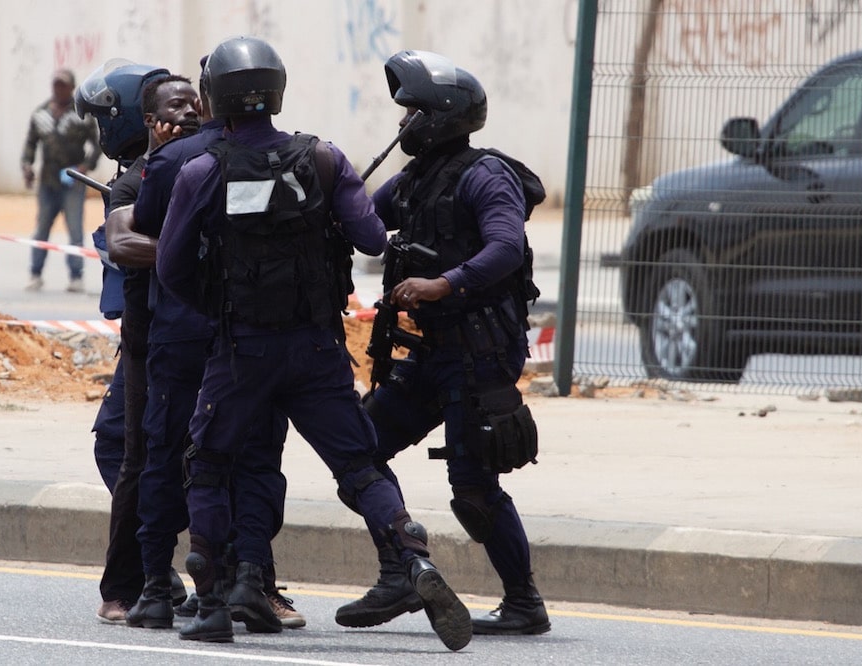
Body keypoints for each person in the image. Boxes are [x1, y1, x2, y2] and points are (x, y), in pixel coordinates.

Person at [156, 36, 472, 650]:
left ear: (215, 95)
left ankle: (213, 603)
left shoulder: (200, 168)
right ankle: (414, 560)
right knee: (358, 463)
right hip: (317, 348)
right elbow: (374, 239)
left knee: (209, 462)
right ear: (276, 90)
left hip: (240, 350)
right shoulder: (324, 159)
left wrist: (223, 307)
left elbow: (170, 268)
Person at [337, 49, 551, 636]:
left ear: (438, 115)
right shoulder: (413, 180)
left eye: (410, 112)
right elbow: (364, 226)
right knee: (358, 451)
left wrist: (441, 283)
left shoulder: (485, 176)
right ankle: (403, 570)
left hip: (479, 354)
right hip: (428, 354)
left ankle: (524, 603)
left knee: (474, 486)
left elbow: (505, 248)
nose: (401, 123)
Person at [119, 55, 304, 632]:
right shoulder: (299, 156)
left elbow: (153, 235)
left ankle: (158, 588)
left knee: (167, 452)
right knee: (250, 456)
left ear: (208, 95)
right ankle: (246, 578)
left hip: (184, 331)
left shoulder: (173, 160)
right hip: (251, 336)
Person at [76, 60, 198, 624]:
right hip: (151, 333)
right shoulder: (135, 178)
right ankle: (152, 574)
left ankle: (137, 582)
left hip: (175, 334)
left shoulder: (182, 167)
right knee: (134, 450)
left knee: (145, 456)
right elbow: (125, 246)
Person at [20, 68, 101, 293]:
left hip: (73, 180)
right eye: (56, 85)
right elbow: (30, 144)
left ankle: (76, 276)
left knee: (75, 229)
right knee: (42, 227)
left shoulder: (82, 115)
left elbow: (98, 145)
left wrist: (85, 167)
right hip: (47, 181)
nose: (59, 89)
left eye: (63, 85)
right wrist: (27, 166)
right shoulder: (41, 114)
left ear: (72, 88)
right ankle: (35, 273)